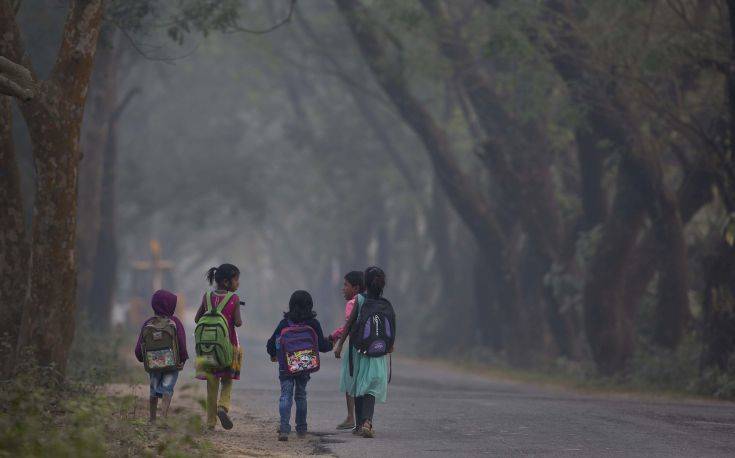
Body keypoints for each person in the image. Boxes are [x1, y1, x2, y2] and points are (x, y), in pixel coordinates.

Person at [334, 266, 393, 438]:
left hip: (359, 350)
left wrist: (339, 344)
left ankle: (360, 424)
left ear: (364, 284)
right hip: (378, 351)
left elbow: (350, 324)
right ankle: (366, 422)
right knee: (371, 389)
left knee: (359, 385)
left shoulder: (360, 299)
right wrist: (389, 346)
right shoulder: (384, 303)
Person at [267, 290, 333, 441]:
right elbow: (322, 346)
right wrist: (331, 343)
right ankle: (301, 429)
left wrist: (273, 354)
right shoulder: (313, 324)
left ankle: (284, 429)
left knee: (285, 395)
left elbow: (271, 343)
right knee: (301, 395)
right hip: (304, 365)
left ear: (291, 305)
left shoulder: (284, 323)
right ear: (309, 306)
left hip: (286, 366)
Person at [194, 263, 244, 431]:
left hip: (207, 348)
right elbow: (238, 322)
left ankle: (210, 423)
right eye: (236, 280)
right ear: (226, 282)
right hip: (228, 347)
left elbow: (196, 319)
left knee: (211, 385)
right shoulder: (234, 299)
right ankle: (222, 407)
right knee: (227, 380)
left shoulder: (206, 296)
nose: (238, 283)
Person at [134, 289, 188, 424]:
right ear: (171, 306)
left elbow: (140, 345)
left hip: (154, 364)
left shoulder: (148, 323)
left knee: (153, 389)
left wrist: (141, 358)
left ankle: (152, 419)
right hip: (172, 364)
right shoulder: (175, 322)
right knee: (167, 389)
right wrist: (182, 359)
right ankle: (163, 418)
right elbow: (181, 342)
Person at [330, 271, 364, 430]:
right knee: (360, 381)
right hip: (366, 348)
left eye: (346, 285)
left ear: (356, 288)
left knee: (349, 380)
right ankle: (363, 418)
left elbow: (349, 326)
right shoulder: (367, 301)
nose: (343, 289)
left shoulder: (352, 303)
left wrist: (336, 338)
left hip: (354, 348)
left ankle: (351, 417)